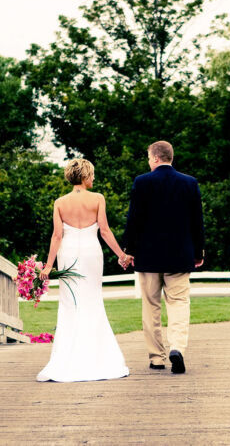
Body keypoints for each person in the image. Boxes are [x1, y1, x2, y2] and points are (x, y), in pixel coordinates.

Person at [36, 158, 129, 382]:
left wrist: (49, 265)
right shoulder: (98, 199)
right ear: (86, 176)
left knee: (70, 304)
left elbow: (57, 236)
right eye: (92, 174)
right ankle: (97, 357)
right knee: (93, 300)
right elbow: (105, 231)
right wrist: (121, 255)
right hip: (91, 254)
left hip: (67, 254)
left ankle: (68, 358)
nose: (94, 179)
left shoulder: (60, 202)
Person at [121, 141, 205, 374]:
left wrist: (129, 249)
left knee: (151, 306)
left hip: (148, 256)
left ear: (156, 158)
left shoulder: (142, 182)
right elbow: (197, 221)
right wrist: (198, 252)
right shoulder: (190, 183)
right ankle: (177, 347)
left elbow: (134, 219)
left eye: (149, 157)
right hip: (179, 255)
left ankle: (157, 357)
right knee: (178, 303)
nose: (148, 161)